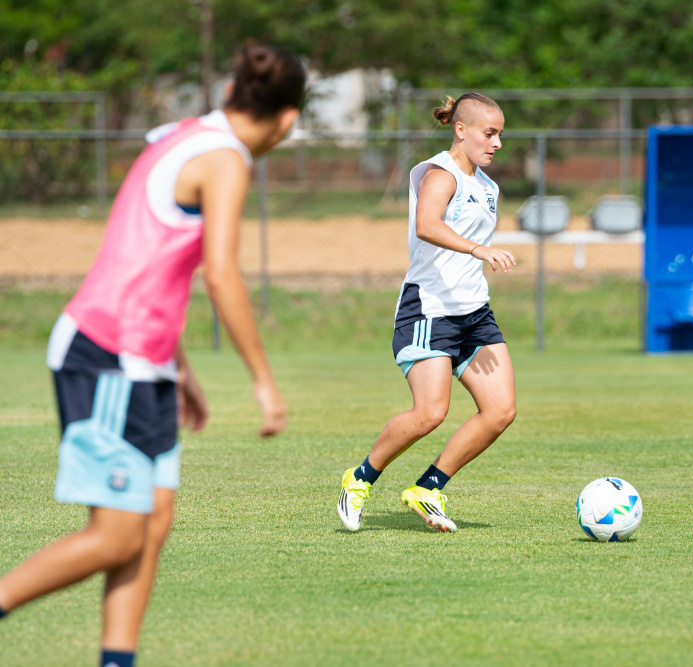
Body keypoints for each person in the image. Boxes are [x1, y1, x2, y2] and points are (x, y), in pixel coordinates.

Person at [0, 44, 304, 667]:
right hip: (109, 353)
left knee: (152, 525)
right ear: (289, 120)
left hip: (148, 359)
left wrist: (181, 368)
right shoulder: (226, 160)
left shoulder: (183, 136)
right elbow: (220, 274)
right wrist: (264, 382)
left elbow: (148, 267)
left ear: (230, 94)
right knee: (115, 537)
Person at [337, 93, 517, 533]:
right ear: (461, 130)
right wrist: (479, 249)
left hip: (474, 312)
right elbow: (427, 225)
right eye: (489, 133)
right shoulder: (441, 172)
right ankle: (359, 479)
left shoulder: (488, 187)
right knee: (430, 413)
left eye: (500, 135)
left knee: (500, 410)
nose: (496, 143)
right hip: (430, 310)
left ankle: (429, 488)